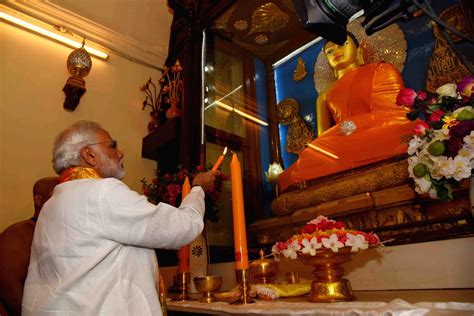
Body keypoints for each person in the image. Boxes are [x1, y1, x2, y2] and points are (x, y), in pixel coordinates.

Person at [22, 120, 217, 315]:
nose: (120, 152)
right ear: (89, 155)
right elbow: (181, 227)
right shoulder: (101, 191)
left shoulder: (50, 205)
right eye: (112, 145)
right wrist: (198, 188)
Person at [278, 33, 418, 192]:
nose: (336, 51)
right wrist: (339, 133)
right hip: (342, 142)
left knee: (409, 131)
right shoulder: (324, 95)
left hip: (379, 134)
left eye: (342, 44)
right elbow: (323, 138)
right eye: (329, 52)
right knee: (311, 154)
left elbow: (397, 115)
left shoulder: (381, 69)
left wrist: (358, 125)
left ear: (359, 52)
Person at [0, 177, 58, 316]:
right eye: (56, 195)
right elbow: (9, 288)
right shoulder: (19, 234)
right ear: (38, 200)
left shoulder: (73, 231)